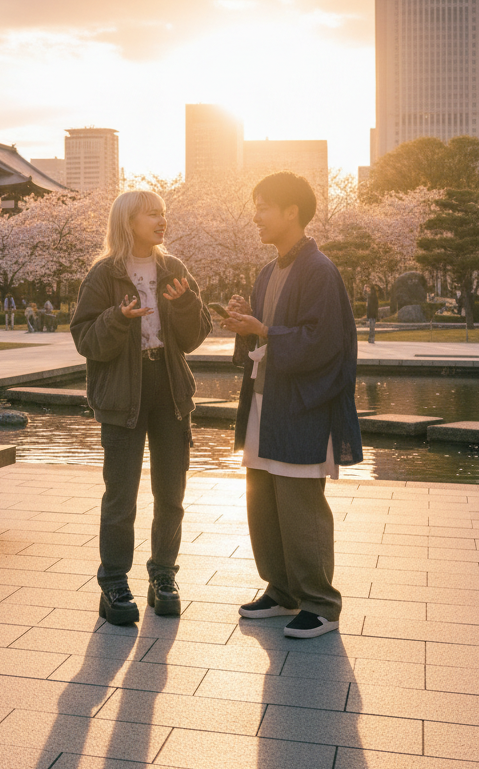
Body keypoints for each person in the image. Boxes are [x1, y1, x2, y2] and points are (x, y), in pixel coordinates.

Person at [221, 171, 363, 640]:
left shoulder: (319, 271)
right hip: (267, 401)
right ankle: (282, 590)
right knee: (262, 498)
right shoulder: (270, 270)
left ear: (292, 212)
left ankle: (320, 602)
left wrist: (262, 331)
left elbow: (323, 342)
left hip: (301, 406)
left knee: (300, 505)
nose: (256, 216)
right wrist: (249, 321)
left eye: (263, 206)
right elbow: (269, 334)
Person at [71, 190, 212, 624]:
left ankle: (163, 577)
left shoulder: (174, 269)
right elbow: (85, 341)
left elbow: (194, 336)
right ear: (129, 221)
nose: (161, 220)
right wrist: (118, 317)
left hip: (169, 391)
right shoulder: (104, 274)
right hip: (121, 396)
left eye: (163, 214)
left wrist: (185, 303)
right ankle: (114, 583)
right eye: (152, 213)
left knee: (171, 495)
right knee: (121, 498)